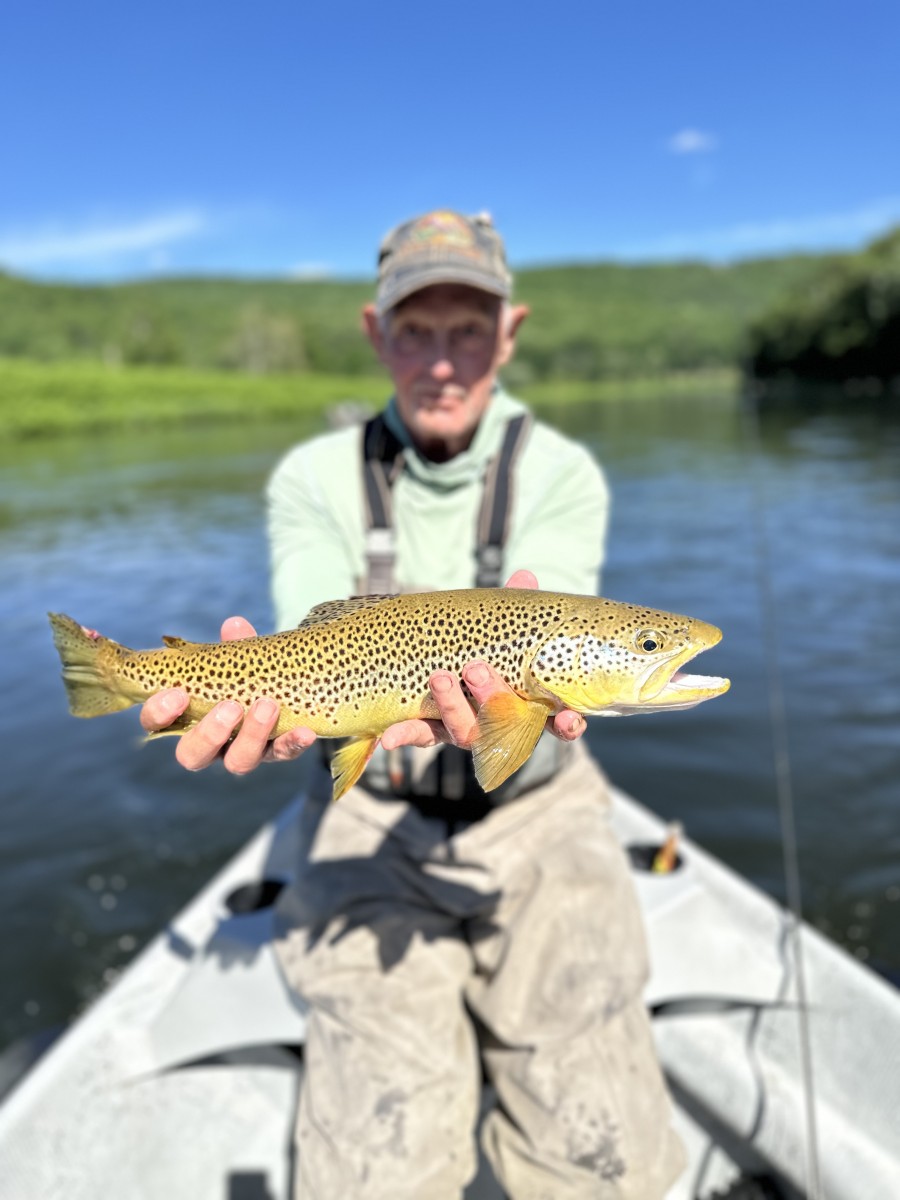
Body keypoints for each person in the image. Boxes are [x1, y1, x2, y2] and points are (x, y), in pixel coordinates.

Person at [141, 210, 685, 1199]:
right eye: (416, 330)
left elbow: (544, 653)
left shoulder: (563, 472)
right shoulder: (312, 477)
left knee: (609, 1161)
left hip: (541, 812)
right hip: (368, 814)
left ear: (509, 333)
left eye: (468, 329)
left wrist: (526, 668)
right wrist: (257, 701)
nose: (442, 361)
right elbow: (305, 645)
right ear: (375, 331)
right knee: (375, 1167)